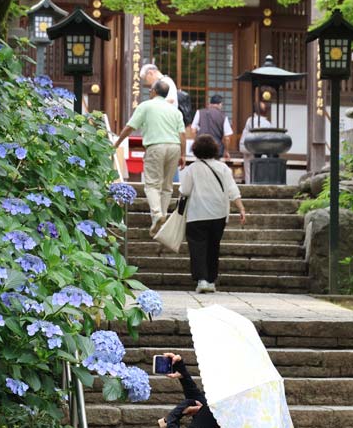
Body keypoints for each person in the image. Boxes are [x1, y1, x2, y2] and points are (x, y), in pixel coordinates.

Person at [114, 79, 186, 236]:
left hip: (155, 146)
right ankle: (162, 216)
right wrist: (183, 154)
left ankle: (157, 214)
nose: (149, 91)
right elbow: (182, 133)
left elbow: (130, 127)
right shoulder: (175, 111)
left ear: (154, 91)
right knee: (167, 186)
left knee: (152, 184)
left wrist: (117, 143)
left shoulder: (146, 106)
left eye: (150, 89)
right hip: (174, 147)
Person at [180, 135, 246, 293]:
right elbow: (232, 190)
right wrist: (241, 209)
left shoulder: (192, 169)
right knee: (213, 247)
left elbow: (185, 191)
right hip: (219, 214)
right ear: (215, 149)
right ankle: (211, 280)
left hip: (197, 214)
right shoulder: (223, 168)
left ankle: (202, 280)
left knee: (197, 247)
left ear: (196, 150)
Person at [192, 94, 233, 160]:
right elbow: (227, 138)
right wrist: (226, 151)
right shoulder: (223, 116)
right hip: (216, 148)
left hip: (201, 147)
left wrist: (196, 143)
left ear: (210, 104)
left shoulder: (199, 112)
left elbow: (193, 130)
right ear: (220, 104)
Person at [240, 102, 273, 184]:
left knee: (249, 172)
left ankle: (249, 187)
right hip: (258, 148)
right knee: (259, 172)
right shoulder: (267, 123)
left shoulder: (250, 120)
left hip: (248, 147)